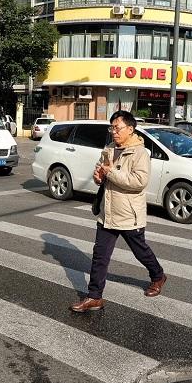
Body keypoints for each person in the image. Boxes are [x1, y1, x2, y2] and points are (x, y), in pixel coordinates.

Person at [70, 110, 166, 312]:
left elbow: (139, 182)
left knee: (141, 251)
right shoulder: (109, 149)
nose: (113, 131)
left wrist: (110, 173)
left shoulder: (140, 153)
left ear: (130, 129)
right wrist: (98, 176)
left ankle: (158, 276)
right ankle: (94, 296)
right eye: (111, 127)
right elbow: (101, 171)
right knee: (100, 256)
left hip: (129, 214)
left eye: (117, 127)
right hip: (108, 212)